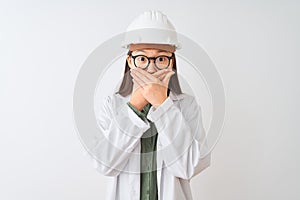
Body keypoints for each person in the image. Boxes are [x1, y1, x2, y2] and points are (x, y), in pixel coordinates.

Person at [89, 10, 211, 200]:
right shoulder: (111, 105)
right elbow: (104, 164)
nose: (151, 68)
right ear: (130, 61)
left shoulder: (187, 105)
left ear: (172, 62)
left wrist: (164, 106)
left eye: (161, 58)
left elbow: (189, 167)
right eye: (143, 58)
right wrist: (134, 107)